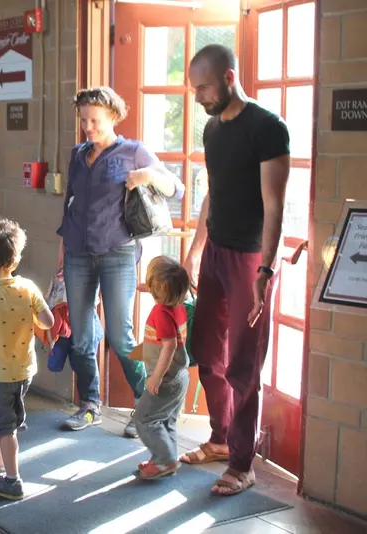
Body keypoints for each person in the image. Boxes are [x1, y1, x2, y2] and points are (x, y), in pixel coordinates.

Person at [181, 44, 290, 496]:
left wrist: (264, 270)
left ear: (228, 78)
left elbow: (274, 205)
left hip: (250, 258)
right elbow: (212, 194)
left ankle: (243, 464)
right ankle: (221, 438)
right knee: (207, 348)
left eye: (203, 87)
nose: (198, 96)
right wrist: (194, 250)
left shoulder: (267, 128)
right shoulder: (211, 129)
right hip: (215, 253)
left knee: (245, 361)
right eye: (193, 89)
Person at [57, 87, 185, 436]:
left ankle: (144, 405)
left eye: (94, 120)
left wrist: (146, 176)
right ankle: (89, 404)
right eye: (83, 119)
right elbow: (69, 203)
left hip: (118, 254)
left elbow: (177, 188)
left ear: (113, 116)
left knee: (120, 335)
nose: (88, 126)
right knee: (82, 337)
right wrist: (62, 253)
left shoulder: (133, 151)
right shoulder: (77, 155)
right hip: (77, 254)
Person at [0, 218, 54, 500]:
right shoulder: (28, 287)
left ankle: (12, 480)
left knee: (4, 428)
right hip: (24, 371)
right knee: (7, 420)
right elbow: (48, 322)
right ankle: (0, 463)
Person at [134, 256, 191, 480]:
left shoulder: (161, 313)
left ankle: (164, 460)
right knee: (167, 420)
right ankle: (166, 459)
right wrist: (145, 288)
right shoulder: (177, 305)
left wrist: (156, 377)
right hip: (180, 377)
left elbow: (169, 346)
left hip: (166, 379)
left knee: (145, 418)